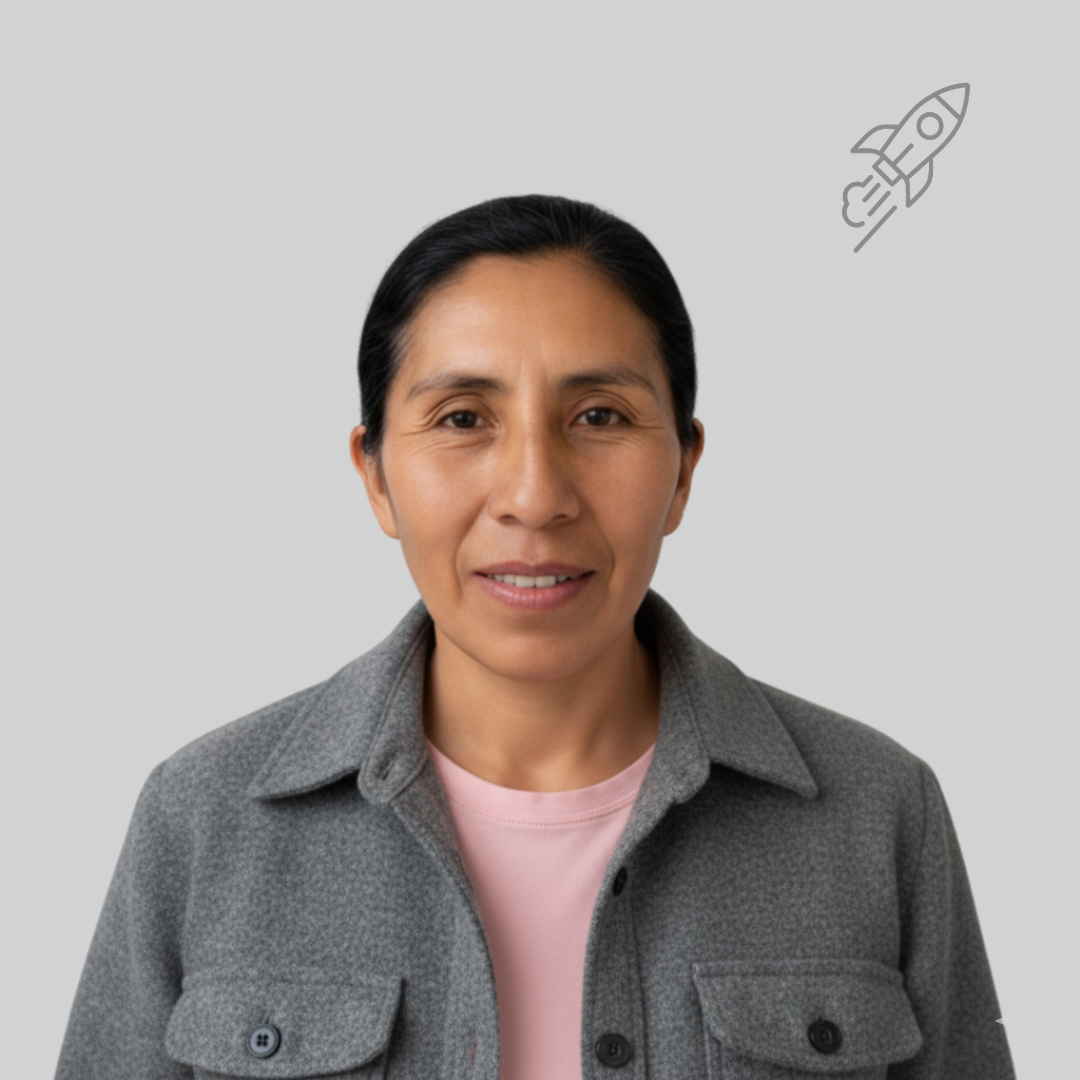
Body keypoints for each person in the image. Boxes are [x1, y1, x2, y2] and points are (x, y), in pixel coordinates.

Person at [54, 194, 1016, 1080]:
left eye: (599, 416)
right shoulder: (203, 820)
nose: (534, 495)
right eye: (463, 418)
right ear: (376, 475)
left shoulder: (878, 814)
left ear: (683, 470)